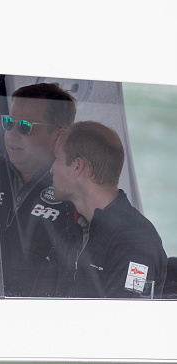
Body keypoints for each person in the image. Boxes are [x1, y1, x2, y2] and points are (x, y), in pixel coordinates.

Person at [0, 83, 78, 297]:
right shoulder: (2, 168)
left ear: (58, 136)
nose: (12, 134)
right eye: (8, 122)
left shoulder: (74, 186)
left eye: (24, 126)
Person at [50, 121, 167, 298]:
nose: (51, 170)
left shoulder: (134, 243)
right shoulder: (74, 224)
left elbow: (122, 321)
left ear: (77, 167)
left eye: (56, 159)